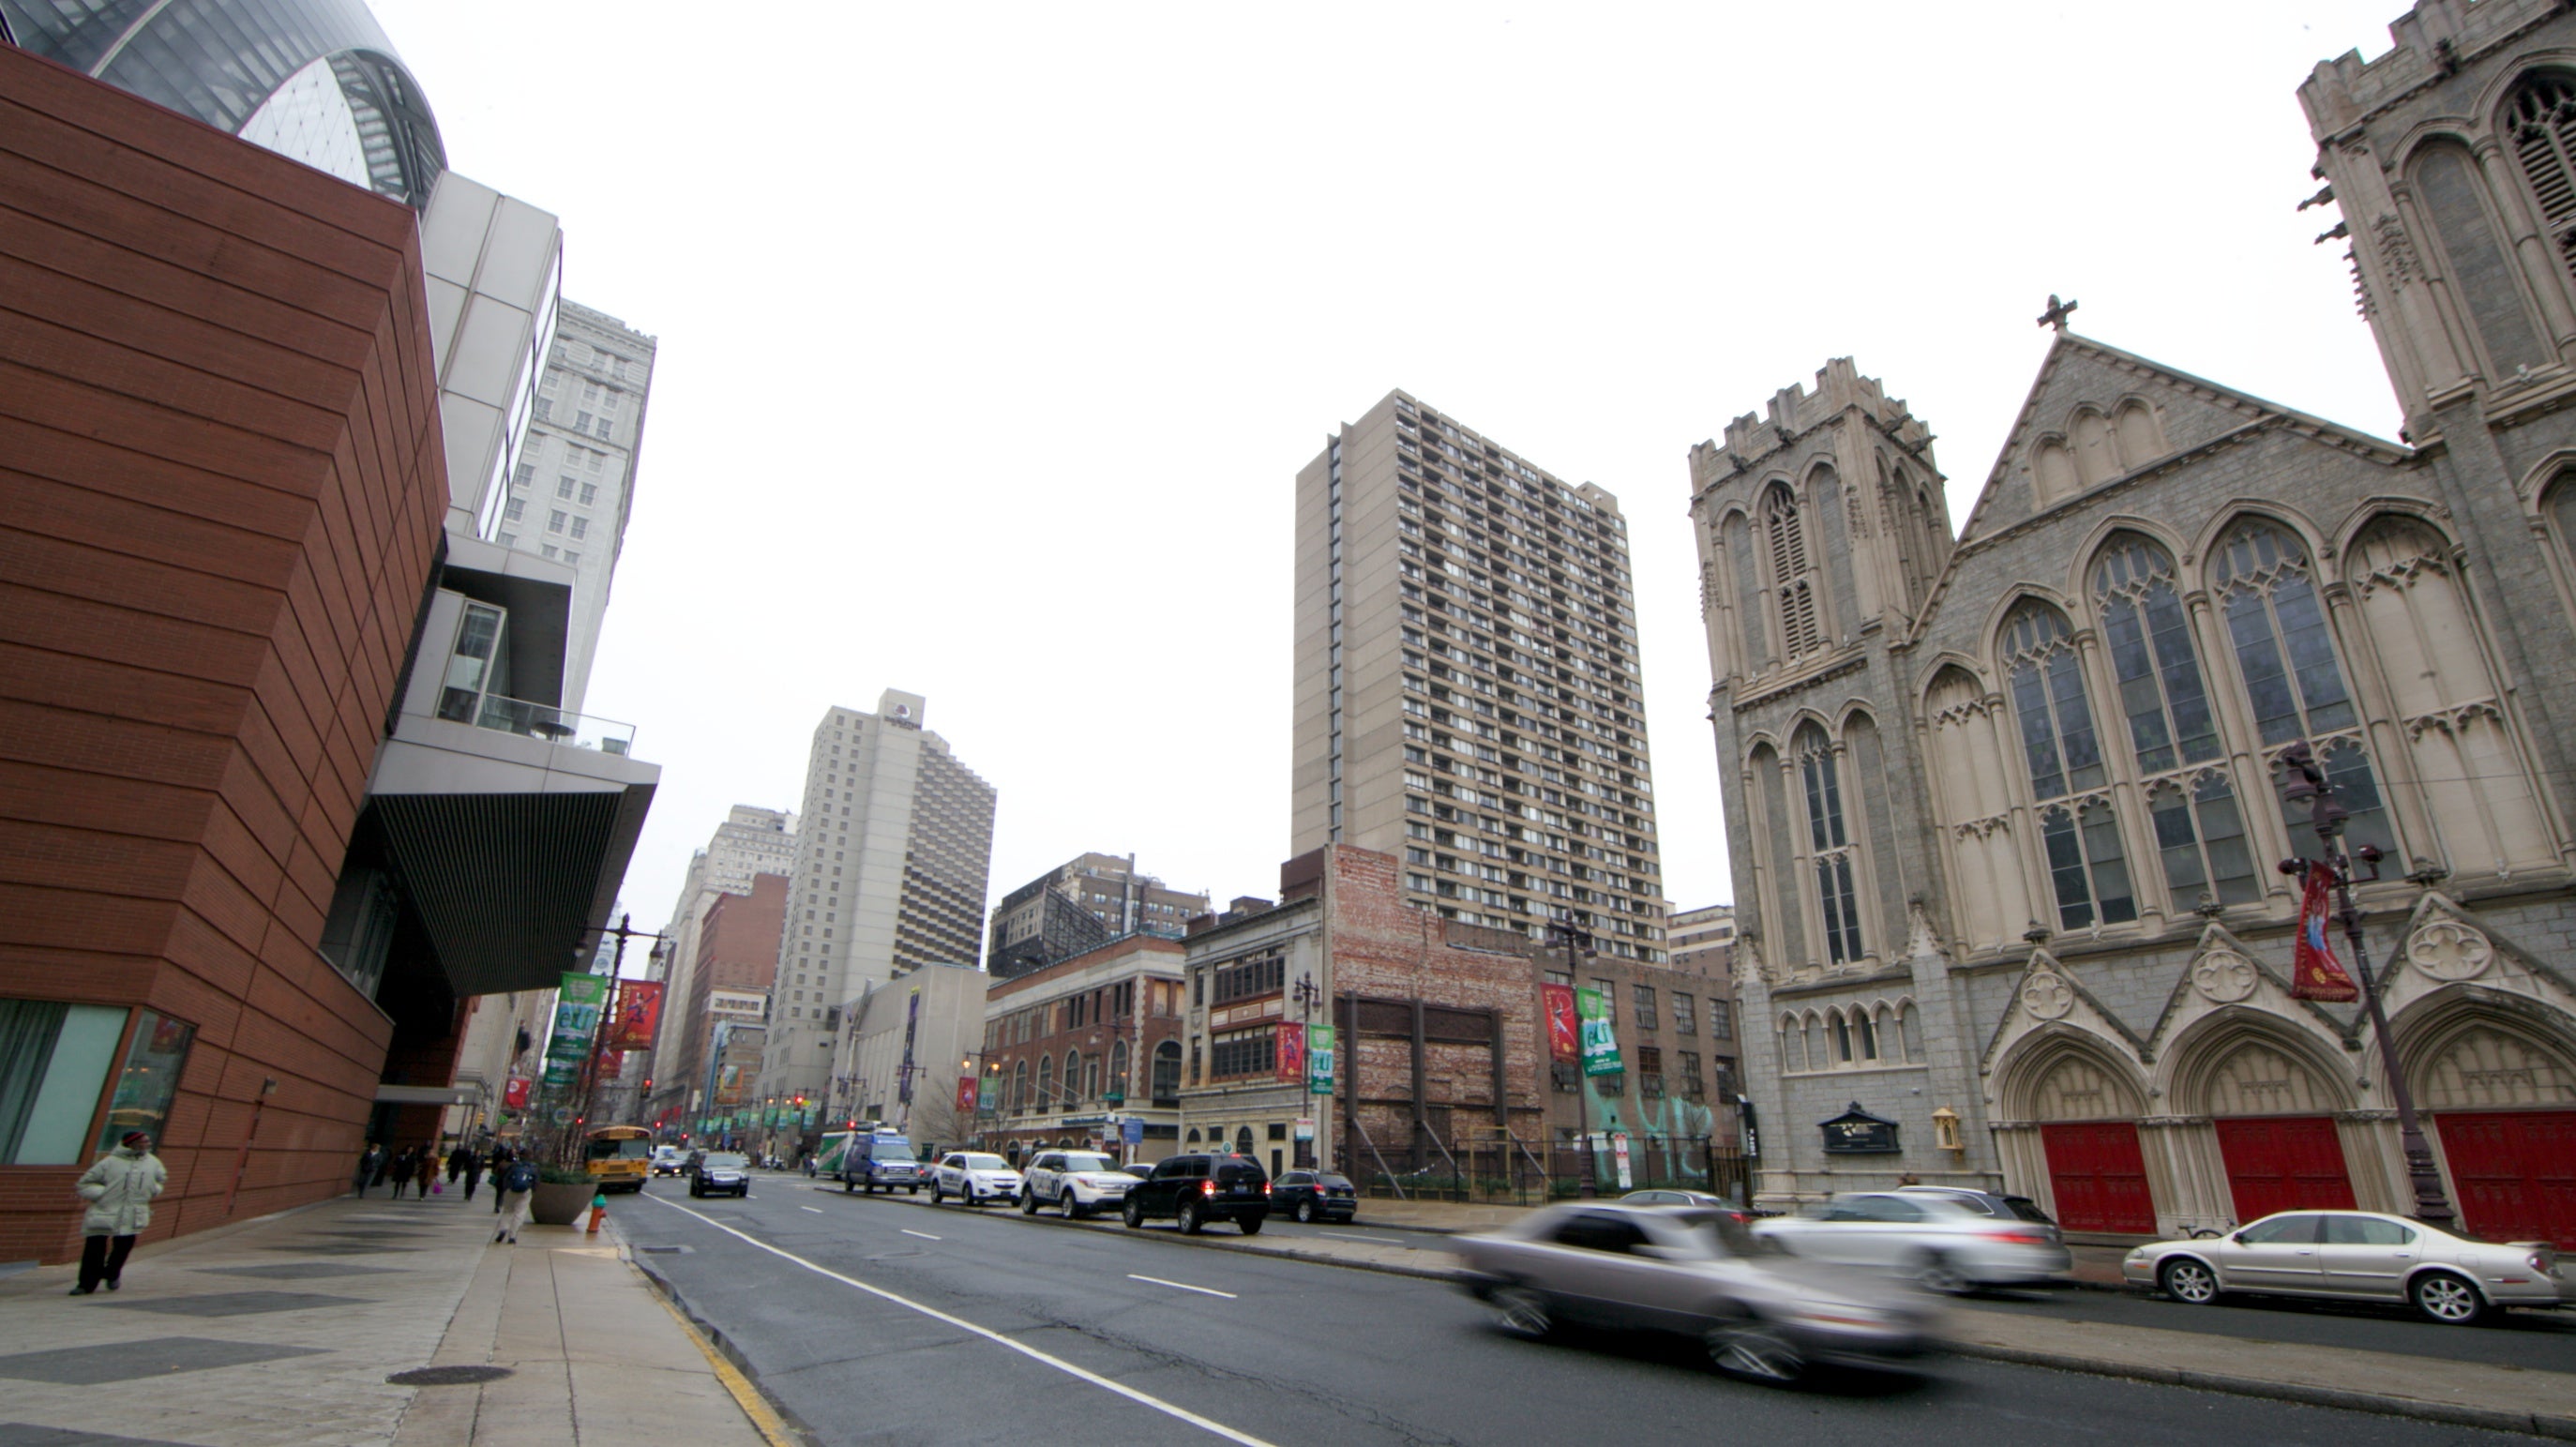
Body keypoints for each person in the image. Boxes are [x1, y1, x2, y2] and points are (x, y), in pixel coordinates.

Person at [71, 1132, 166, 1295]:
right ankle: (86, 1284)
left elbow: (160, 1180)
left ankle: (112, 1274)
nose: (148, 1144)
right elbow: (85, 1183)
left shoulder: (153, 1162)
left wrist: (152, 1190)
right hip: (105, 1210)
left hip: (133, 1212)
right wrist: (102, 1194)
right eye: (144, 1141)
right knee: (94, 1249)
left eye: (148, 1141)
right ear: (131, 1143)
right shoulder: (109, 1162)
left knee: (123, 1247)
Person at [494, 1153, 539, 1244]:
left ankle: (503, 1229)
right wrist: (532, 1189)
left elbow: (505, 1177)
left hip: (511, 1190)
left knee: (507, 1211)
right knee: (519, 1213)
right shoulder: (534, 1168)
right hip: (525, 1192)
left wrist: (506, 1188)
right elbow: (536, 1181)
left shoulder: (514, 1166)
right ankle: (512, 1236)